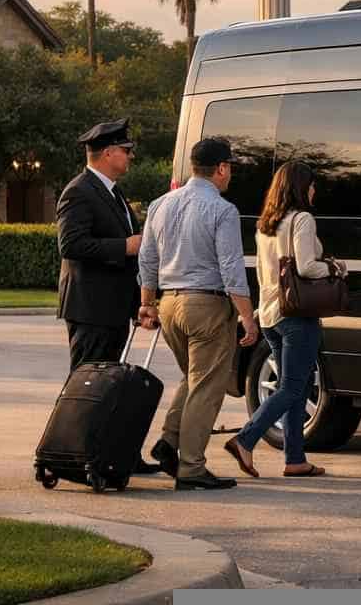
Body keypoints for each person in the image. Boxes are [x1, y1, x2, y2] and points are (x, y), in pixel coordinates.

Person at [137, 138, 259, 491]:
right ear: (221, 169)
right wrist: (247, 318)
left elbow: (147, 258)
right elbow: (231, 268)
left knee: (193, 378)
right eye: (230, 167)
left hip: (169, 304)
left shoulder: (161, 204)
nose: (230, 174)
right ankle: (192, 467)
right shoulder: (222, 210)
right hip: (205, 305)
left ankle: (168, 442)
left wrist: (147, 303)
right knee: (208, 386)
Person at [55, 118, 161, 475]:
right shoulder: (79, 191)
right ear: (108, 152)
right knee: (87, 388)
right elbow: (70, 245)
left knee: (112, 390)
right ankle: (76, 457)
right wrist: (125, 245)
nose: (130, 157)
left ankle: (115, 455)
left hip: (113, 309)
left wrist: (139, 306)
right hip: (90, 310)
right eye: (126, 151)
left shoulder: (112, 193)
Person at [223, 161, 330, 479]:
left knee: (292, 388)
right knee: (294, 387)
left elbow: (260, 272)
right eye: (311, 184)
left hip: (270, 315)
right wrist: (336, 269)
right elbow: (307, 267)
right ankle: (245, 439)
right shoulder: (302, 219)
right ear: (300, 187)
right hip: (297, 315)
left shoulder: (265, 224)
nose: (314, 190)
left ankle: (295, 458)